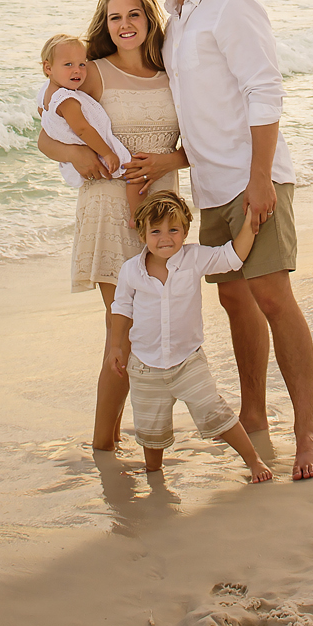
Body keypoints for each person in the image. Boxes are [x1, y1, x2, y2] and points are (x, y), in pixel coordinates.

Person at [139, 0, 313, 480]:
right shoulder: (174, 23)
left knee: (273, 297)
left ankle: (308, 429)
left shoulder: (230, 4)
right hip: (212, 186)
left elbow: (263, 90)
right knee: (235, 302)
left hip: (253, 178)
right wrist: (173, 161)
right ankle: (253, 413)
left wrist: (262, 177)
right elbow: (200, 112)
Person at [37, 0, 189, 451]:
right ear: (106, 24)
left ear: (150, 18)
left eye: (134, 15)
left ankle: (149, 439)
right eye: (115, 17)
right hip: (109, 206)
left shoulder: (175, 70)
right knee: (122, 327)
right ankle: (106, 442)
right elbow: (46, 126)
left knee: (161, 325)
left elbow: (203, 139)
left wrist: (170, 160)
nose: (125, 25)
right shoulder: (91, 71)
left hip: (163, 211)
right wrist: (73, 154)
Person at [108, 192, 273, 483]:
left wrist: (250, 221)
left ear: (185, 230)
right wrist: (115, 348)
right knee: (150, 429)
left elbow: (232, 257)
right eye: (155, 231)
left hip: (188, 361)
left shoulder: (194, 258)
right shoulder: (131, 271)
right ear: (142, 232)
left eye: (174, 230)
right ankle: (153, 472)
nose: (165, 238)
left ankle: (254, 461)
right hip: (145, 365)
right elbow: (121, 309)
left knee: (215, 411)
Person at [37, 33, 127, 183]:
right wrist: (107, 153)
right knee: (132, 176)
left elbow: (43, 114)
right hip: (94, 152)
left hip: (77, 159)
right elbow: (82, 129)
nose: (77, 70)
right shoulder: (66, 100)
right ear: (48, 67)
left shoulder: (46, 92)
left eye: (82, 64)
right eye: (68, 64)